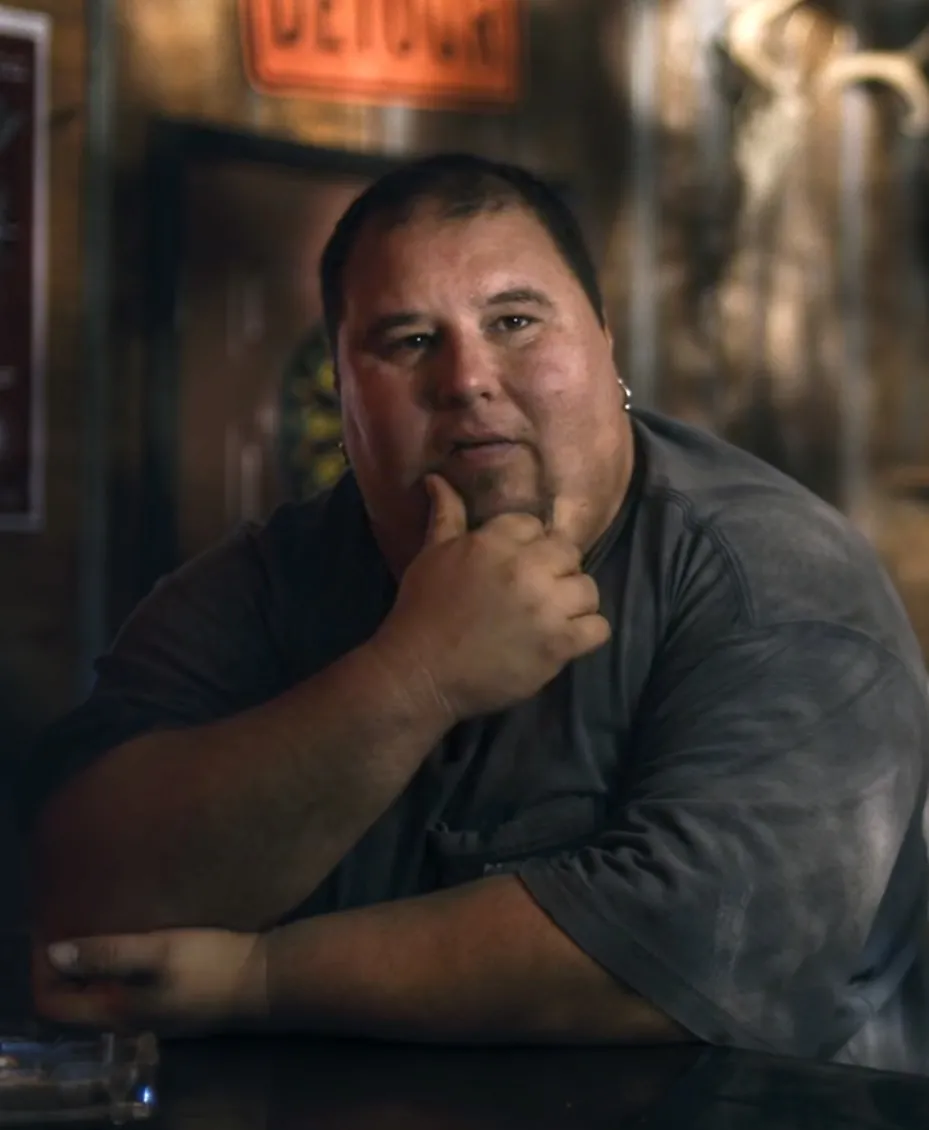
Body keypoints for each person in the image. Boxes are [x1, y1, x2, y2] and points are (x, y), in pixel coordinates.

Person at [21, 154, 929, 1071]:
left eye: (514, 322)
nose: (466, 378)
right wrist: (413, 677)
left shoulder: (777, 577)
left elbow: (700, 946)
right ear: (341, 388)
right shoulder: (258, 585)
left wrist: (258, 979)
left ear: (605, 344)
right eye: (410, 339)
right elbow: (80, 908)